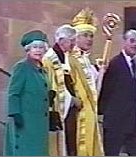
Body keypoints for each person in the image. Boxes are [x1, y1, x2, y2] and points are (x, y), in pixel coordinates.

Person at [98, 29, 136, 156]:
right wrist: (103, 113)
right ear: (124, 42)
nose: (135, 45)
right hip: (116, 121)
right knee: (111, 153)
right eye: (132, 41)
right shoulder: (115, 64)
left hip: (131, 121)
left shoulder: (134, 64)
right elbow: (106, 90)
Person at [3, 30, 50, 156]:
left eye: (41, 47)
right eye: (35, 47)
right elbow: (13, 93)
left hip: (39, 122)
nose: (38, 50)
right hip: (24, 121)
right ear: (28, 49)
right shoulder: (22, 67)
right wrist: (15, 113)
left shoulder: (43, 70)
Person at [68, 8, 104, 156]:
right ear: (75, 38)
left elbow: (95, 90)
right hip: (76, 111)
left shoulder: (87, 61)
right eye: (85, 35)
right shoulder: (70, 58)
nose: (89, 39)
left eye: (91, 36)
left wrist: (101, 72)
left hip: (90, 111)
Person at [42, 24, 82, 156]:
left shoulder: (64, 57)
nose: (73, 44)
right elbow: (53, 86)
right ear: (61, 40)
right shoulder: (49, 59)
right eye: (71, 41)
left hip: (69, 109)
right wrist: (72, 100)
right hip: (60, 108)